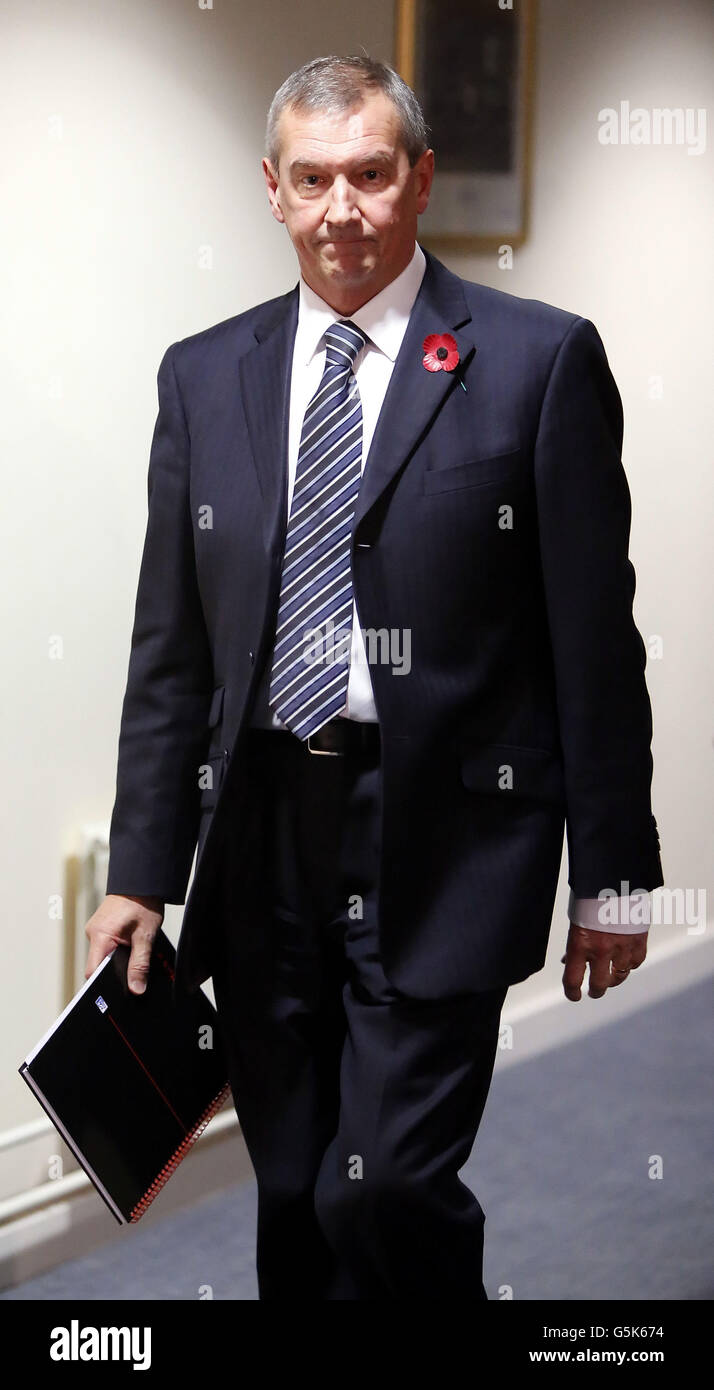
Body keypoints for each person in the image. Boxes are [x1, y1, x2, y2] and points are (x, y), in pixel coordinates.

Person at [85, 54, 663, 1300]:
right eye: (312, 180)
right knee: (292, 1187)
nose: (341, 209)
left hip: (446, 838)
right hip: (262, 840)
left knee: (391, 1183)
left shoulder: (537, 361)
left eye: (368, 174)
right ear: (274, 191)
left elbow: (594, 642)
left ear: (420, 179)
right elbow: (170, 651)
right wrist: (141, 871)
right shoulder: (204, 375)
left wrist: (614, 871)